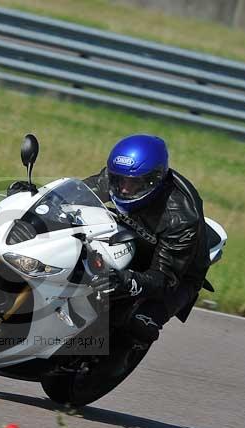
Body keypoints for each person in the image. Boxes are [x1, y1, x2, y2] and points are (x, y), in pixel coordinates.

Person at [83, 134, 211, 362]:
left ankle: (108, 362)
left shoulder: (181, 218)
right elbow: (81, 193)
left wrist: (126, 280)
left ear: (154, 180)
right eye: (119, 180)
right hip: (134, 239)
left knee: (140, 325)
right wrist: (41, 197)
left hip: (177, 270)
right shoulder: (118, 178)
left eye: (134, 184)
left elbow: (163, 279)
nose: (124, 189)